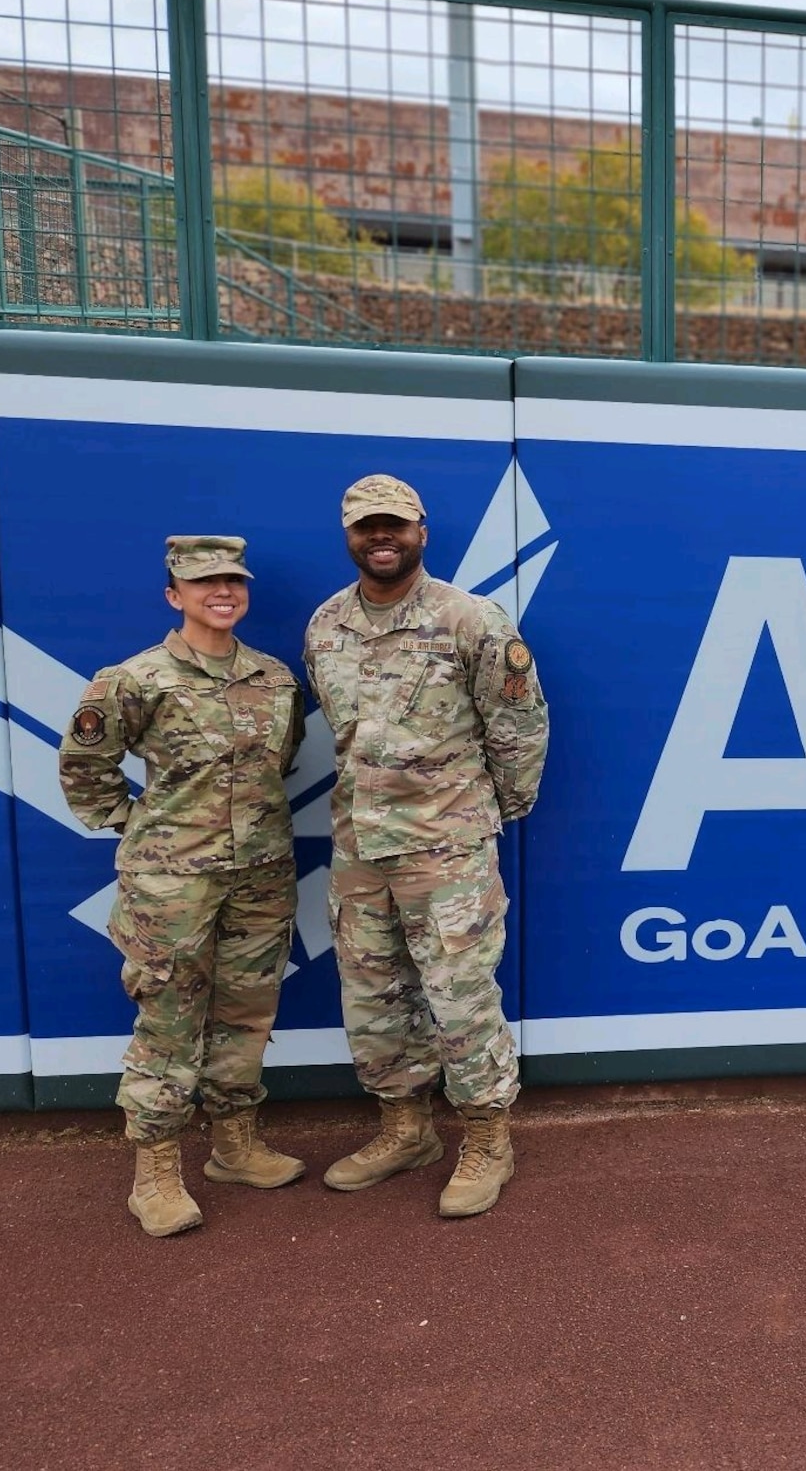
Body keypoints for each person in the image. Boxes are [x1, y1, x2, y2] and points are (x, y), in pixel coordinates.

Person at [305, 475, 546, 1218]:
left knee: (460, 1000)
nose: (382, 538)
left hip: (447, 851)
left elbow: (519, 727)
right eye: (367, 527)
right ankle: (406, 1129)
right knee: (374, 1001)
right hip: (358, 850)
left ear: (422, 532)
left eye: (396, 526)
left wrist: (481, 816)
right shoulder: (325, 625)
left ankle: (485, 1139)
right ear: (349, 535)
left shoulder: (470, 619)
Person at [58, 536, 308, 1238]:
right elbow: (85, 766)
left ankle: (234, 1148)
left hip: (260, 876)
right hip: (172, 888)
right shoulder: (135, 679)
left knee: (246, 1014)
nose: (221, 592)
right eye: (203, 584)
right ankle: (157, 1173)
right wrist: (142, 829)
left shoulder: (275, 678)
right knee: (168, 1023)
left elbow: (276, 766)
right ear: (175, 595)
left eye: (232, 580)